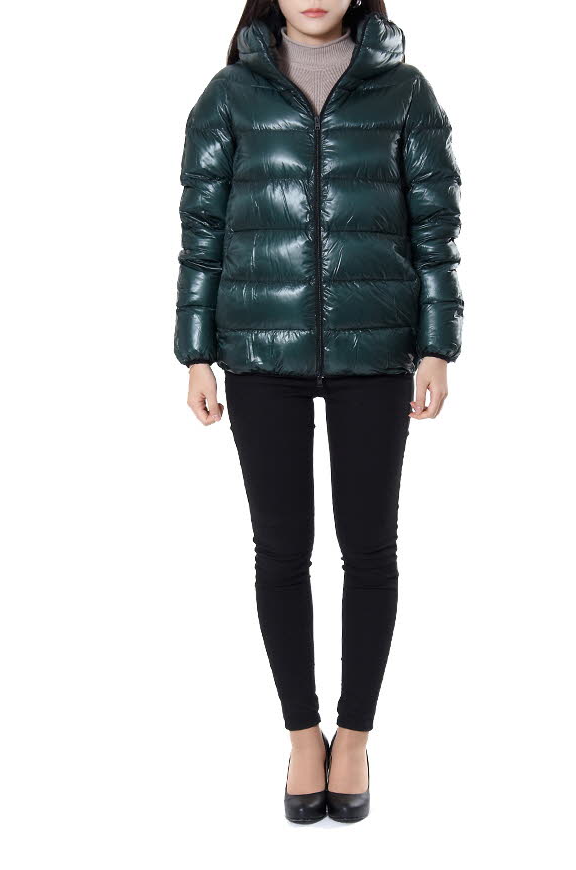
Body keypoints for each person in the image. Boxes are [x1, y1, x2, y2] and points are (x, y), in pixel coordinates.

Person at [174, 0, 462, 823]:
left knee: (369, 550)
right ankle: (304, 736)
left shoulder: (405, 92)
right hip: (260, 351)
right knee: (281, 551)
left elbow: (436, 224)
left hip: (376, 350)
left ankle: (356, 737)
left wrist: (437, 345)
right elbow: (201, 228)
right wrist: (196, 351)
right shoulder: (229, 94)